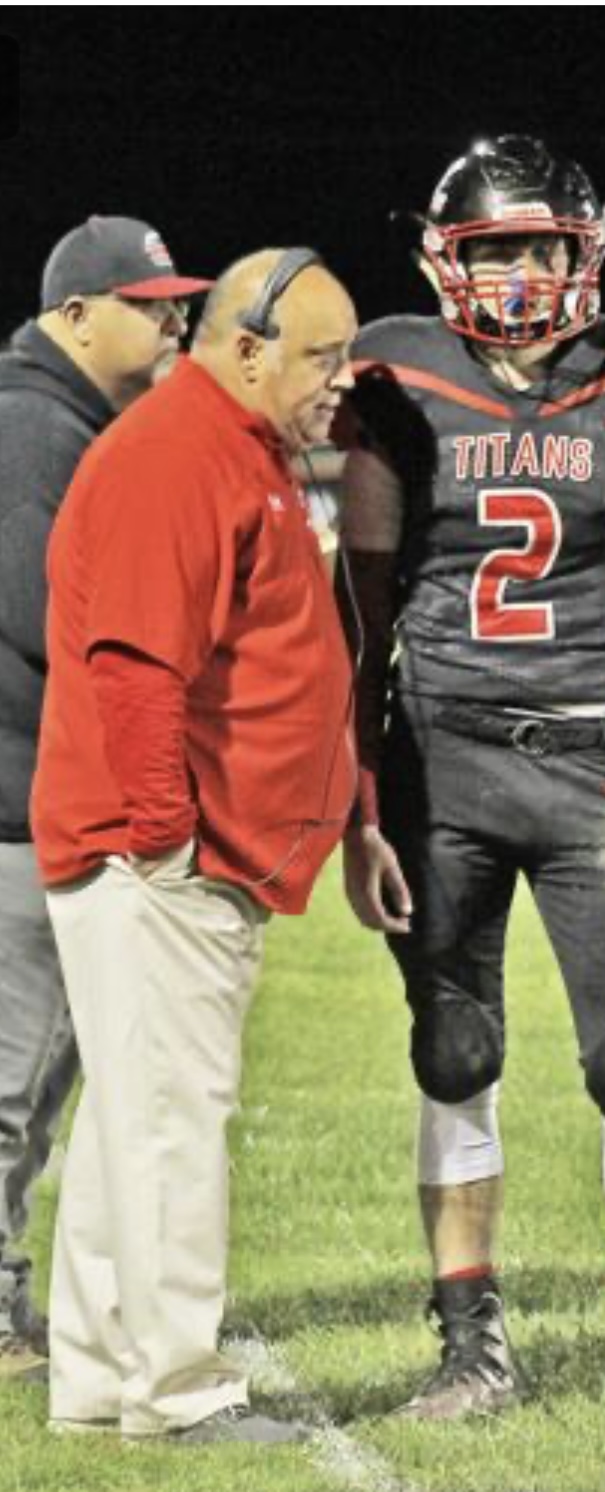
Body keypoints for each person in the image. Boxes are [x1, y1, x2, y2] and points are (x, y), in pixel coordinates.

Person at [340, 136, 605, 1423]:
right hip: (442, 763)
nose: (519, 277)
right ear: (441, 259)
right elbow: (357, 613)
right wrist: (361, 804)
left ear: (586, 255)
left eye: (541, 248)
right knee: (454, 1050)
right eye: (493, 250)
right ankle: (469, 1347)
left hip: (592, 765)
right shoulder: (398, 383)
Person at [30, 248, 358, 1443]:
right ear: (248, 346)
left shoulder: (236, 442)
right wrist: (167, 842)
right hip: (157, 854)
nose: (341, 378)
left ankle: (99, 1381)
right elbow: (133, 668)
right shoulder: (180, 449)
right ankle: (176, 1392)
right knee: (169, 1119)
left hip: (175, 849)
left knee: (133, 1120)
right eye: (322, 355)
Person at [0, 216, 211, 1377]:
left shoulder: (69, 420)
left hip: (40, 794)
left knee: (32, 1074)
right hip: (19, 801)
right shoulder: (34, 426)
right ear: (76, 315)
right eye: (150, 303)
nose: (173, 321)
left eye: (178, 302)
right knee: (13, 1075)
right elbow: (54, 616)